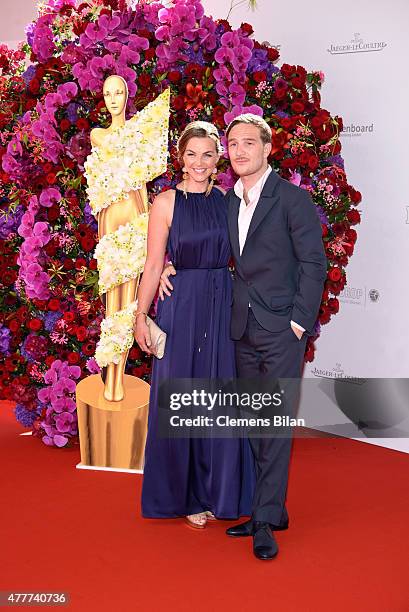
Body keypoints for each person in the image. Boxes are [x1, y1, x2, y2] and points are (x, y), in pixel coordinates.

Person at [159, 114, 327, 557]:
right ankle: (269, 505)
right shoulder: (227, 202)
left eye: (248, 143)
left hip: (281, 330)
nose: (238, 151)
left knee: (272, 423)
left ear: (267, 148)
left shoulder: (292, 199)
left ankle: (265, 521)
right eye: (232, 143)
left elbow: (314, 264)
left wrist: (299, 322)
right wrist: (171, 266)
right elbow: (208, 248)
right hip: (238, 328)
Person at [134, 121, 254, 528]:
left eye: (207, 154)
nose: (199, 162)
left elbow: (247, 256)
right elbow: (152, 264)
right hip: (180, 304)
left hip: (221, 302)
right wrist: (140, 315)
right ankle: (183, 496)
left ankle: (216, 491)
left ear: (218, 158)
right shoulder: (165, 203)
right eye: (191, 154)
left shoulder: (227, 201)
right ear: (180, 158)